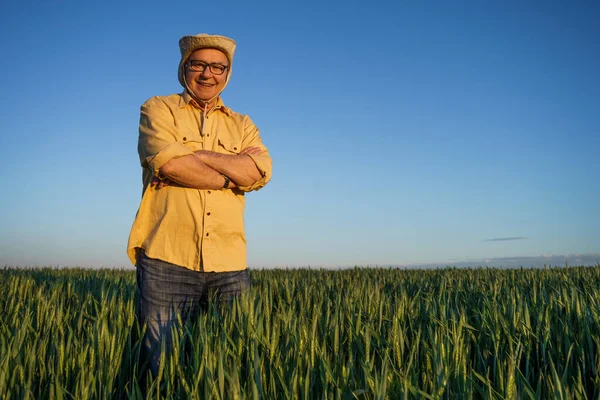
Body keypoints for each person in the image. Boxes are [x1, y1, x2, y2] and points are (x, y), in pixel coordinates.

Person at [127, 33, 272, 376]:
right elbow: (170, 163)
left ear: (228, 73)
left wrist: (200, 155)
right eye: (199, 64)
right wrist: (229, 175)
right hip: (167, 258)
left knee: (233, 367)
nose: (208, 74)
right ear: (184, 68)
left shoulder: (243, 124)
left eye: (218, 67)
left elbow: (260, 171)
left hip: (229, 263)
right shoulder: (158, 108)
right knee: (159, 366)